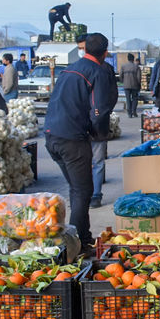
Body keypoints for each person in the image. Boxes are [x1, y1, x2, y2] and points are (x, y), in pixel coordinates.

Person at [44, 32, 117, 248]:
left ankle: (82, 236)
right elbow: (99, 111)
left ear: (84, 49)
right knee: (83, 191)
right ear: (105, 53)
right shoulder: (97, 72)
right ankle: (76, 243)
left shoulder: (69, 69)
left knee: (77, 189)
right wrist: (100, 134)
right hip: (71, 139)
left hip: (51, 136)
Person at [119, 53, 141, 118]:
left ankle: (129, 113)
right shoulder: (136, 66)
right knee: (135, 99)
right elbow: (139, 77)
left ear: (127, 58)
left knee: (128, 99)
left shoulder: (123, 66)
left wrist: (123, 81)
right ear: (133, 59)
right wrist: (139, 85)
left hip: (126, 85)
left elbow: (120, 76)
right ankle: (134, 111)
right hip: (135, 85)